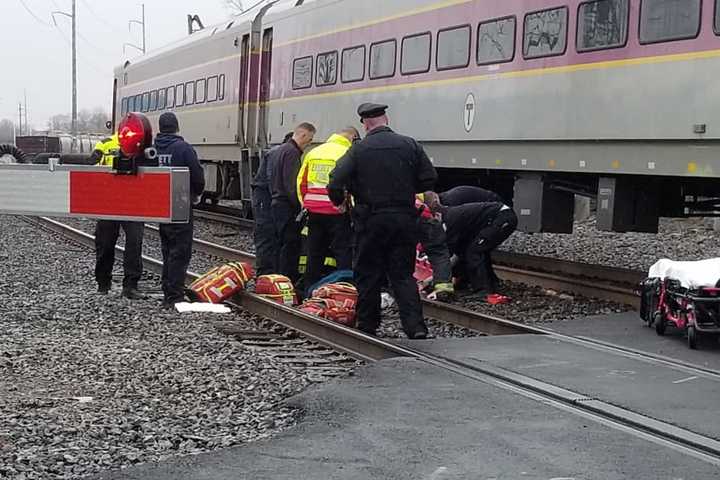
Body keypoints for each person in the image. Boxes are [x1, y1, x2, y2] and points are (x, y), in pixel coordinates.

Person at [328, 103, 437, 339]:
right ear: (385, 119)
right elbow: (429, 178)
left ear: (366, 123)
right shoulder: (410, 145)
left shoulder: (359, 150)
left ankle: (368, 323)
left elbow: (335, 179)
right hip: (404, 219)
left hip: (371, 220)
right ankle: (415, 327)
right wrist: (406, 189)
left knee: (368, 273)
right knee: (402, 274)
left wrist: (340, 201)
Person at [296, 127, 359, 294]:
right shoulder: (347, 153)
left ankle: (309, 291)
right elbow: (352, 185)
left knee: (314, 252)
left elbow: (301, 182)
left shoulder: (314, 152)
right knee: (342, 251)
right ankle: (343, 289)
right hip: (337, 211)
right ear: (352, 138)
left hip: (314, 211)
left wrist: (306, 203)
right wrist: (351, 209)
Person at [154, 112, 205, 308]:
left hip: (159, 205)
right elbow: (198, 177)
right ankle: (174, 295)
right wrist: (196, 194)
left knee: (167, 248)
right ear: (177, 127)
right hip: (180, 204)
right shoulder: (183, 148)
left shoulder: (152, 149)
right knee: (180, 250)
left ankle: (168, 289)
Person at [90, 133, 145, 300]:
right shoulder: (105, 144)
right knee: (106, 243)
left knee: (133, 244)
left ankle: (130, 286)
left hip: (132, 201)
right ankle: (103, 283)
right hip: (110, 200)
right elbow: (92, 168)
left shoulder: (142, 144)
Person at [270, 122, 316, 285]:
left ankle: (277, 277)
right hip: (287, 207)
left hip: (277, 203)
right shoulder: (292, 153)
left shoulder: (280, 150)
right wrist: (301, 206)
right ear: (303, 135)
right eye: (309, 140)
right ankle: (287, 279)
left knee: (280, 243)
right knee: (290, 245)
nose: (308, 143)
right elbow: (292, 185)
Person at [442, 201, 518, 294]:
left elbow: (449, 249)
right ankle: (491, 283)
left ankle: (483, 290)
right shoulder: (452, 215)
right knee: (476, 250)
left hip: (501, 218)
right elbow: (459, 249)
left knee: (474, 252)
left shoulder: (451, 219)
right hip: (500, 216)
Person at [252, 131, 292, 276]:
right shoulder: (278, 154)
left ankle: (270, 273)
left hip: (266, 199)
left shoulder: (277, 153)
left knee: (269, 237)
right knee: (267, 236)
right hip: (265, 200)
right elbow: (274, 182)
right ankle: (265, 275)